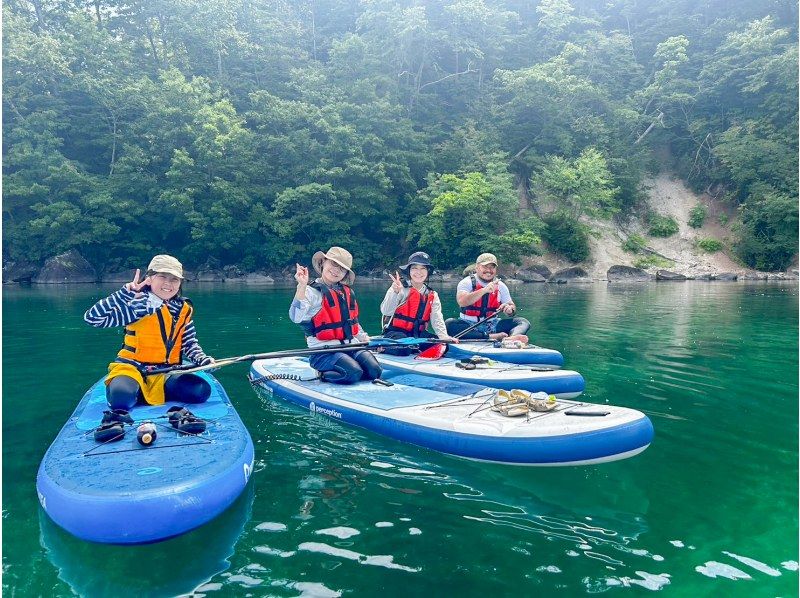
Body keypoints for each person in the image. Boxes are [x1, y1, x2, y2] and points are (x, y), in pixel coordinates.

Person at [84, 255, 215, 435]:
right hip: (132, 369)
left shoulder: (183, 310)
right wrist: (124, 294)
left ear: (180, 283)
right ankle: (133, 393)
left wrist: (202, 359)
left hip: (167, 372)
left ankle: (148, 395)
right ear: (150, 278)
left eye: (174, 279)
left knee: (201, 391)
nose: (168, 283)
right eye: (162, 277)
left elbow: (189, 343)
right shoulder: (138, 304)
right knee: (121, 397)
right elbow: (92, 319)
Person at [290, 246, 382, 384]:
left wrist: (366, 339)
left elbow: (353, 323)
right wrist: (301, 286)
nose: (336, 270)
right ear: (323, 263)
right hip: (324, 352)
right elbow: (295, 317)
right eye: (333, 264)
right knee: (353, 372)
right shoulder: (310, 292)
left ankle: (350, 366)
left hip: (351, 347)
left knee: (375, 371)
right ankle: (322, 374)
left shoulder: (347, 293)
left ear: (345, 273)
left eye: (342, 268)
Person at [380, 252, 458, 354]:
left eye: (423, 268)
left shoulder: (432, 294)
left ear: (428, 271)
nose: (418, 272)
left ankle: (414, 348)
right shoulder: (399, 287)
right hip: (396, 333)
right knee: (404, 349)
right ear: (409, 271)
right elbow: (386, 311)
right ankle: (382, 348)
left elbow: (436, 318)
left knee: (443, 346)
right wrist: (395, 292)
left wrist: (443, 337)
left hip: (418, 334)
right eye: (414, 268)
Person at [445, 252, 531, 341]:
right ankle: (490, 336)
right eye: (485, 267)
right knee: (449, 324)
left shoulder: (501, 286)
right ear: (477, 267)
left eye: (492, 267)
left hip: (493, 324)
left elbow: (512, 309)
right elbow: (462, 301)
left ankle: (512, 338)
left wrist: (509, 310)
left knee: (523, 322)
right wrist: (484, 290)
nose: (489, 270)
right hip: (469, 325)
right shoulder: (466, 282)